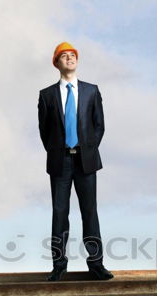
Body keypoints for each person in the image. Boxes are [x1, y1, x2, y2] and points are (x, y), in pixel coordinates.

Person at [38, 42, 114, 281]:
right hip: (60, 161)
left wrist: (88, 150)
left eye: (73, 56)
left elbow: (99, 125)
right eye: (64, 56)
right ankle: (59, 266)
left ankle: (96, 265)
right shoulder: (47, 95)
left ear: (77, 61)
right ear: (56, 63)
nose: (69, 59)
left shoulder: (92, 91)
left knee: (89, 212)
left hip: (86, 161)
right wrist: (57, 150)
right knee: (59, 213)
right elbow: (44, 130)